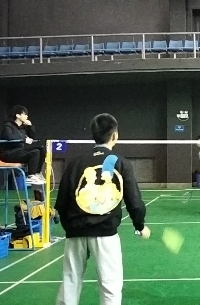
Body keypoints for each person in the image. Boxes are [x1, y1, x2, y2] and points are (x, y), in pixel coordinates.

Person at [54, 113, 151, 305]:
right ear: (115, 135)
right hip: (105, 234)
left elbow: (61, 202)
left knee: (70, 281)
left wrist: (71, 227)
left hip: (75, 232)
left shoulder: (75, 163)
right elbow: (134, 201)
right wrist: (140, 225)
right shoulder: (121, 162)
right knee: (110, 286)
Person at [0, 105, 45, 185]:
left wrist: (30, 126)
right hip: (8, 153)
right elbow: (10, 137)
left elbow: (32, 137)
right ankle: (31, 176)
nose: (27, 116)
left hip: (19, 151)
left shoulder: (23, 127)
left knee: (42, 149)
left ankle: (36, 173)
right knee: (35, 152)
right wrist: (24, 139)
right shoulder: (7, 126)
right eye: (24, 114)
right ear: (18, 115)